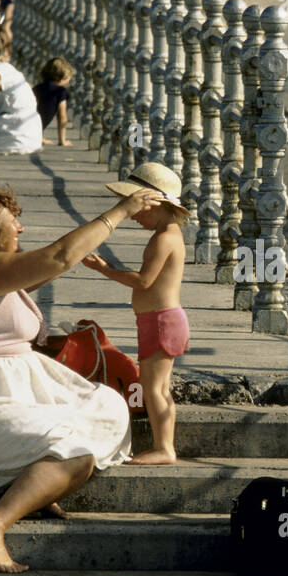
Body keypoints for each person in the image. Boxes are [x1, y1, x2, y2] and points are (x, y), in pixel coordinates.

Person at [0, 183, 165, 572]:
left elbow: (58, 260)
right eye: (13, 221)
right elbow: (58, 256)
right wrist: (120, 211)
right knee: (77, 455)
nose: (20, 228)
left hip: (7, 392)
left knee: (108, 409)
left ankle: (34, 485)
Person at [82, 162, 190, 466]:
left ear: (157, 203)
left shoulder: (164, 238)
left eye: (139, 209)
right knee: (156, 387)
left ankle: (164, 448)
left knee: (154, 388)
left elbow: (144, 281)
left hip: (161, 321)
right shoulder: (167, 233)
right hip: (157, 320)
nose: (135, 216)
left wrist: (106, 270)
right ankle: (162, 444)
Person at [35, 57, 72, 146]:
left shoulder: (37, 88)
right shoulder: (60, 92)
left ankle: (37, 137)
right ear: (63, 77)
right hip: (34, 128)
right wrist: (62, 141)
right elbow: (62, 117)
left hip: (27, 126)